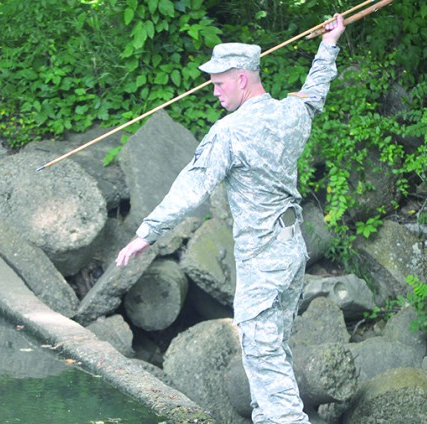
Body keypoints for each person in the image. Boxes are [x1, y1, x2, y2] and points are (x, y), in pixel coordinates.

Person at [116, 14, 345, 424]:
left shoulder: (229, 133)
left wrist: (146, 234)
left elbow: (191, 187)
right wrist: (329, 45)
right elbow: (315, 93)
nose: (214, 91)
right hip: (292, 251)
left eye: (220, 82)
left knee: (261, 349)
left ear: (242, 78)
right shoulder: (290, 114)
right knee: (273, 348)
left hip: (263, 254)